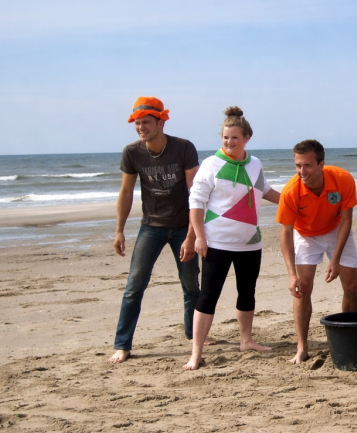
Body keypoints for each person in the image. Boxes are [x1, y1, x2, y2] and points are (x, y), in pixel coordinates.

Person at [183, 106, 280, 371]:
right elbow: (196, 202)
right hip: (217, 243)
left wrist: (292, 203)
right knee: (208, 296)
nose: (229, 142)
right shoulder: (212, 164)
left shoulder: (255, 163)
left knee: (247, 292)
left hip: (250, 242)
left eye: (234, 137)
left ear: (247, 137)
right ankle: (196, 352)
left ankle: (246, 340)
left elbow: (265, 190)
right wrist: (198, 237)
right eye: (225, 137)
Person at [110, 96, 201, 363]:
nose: (141, 128)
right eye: (137, 124)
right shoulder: (132, 152)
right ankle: (122, 344)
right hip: (151, 227)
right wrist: (119, 230)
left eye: (146, 122)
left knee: (191, 285)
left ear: (161, 122)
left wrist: (192, 235)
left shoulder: (183, 148)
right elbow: (126, 192)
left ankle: (193, 334)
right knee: (134, 287)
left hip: (183, 226)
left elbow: (195, 193)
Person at [276, 139, 357, 364]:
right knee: (302, 288)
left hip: (336, 230)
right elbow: (285, 233)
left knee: (351, 286)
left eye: (307, 165)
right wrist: (291, 274)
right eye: (298, 166)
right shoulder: (291, 191)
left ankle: (350, 336)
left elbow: (347, 220)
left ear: (321, 164)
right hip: (306, 235)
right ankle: (302, 347)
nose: (302, 171)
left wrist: (335, 258)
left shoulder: (342, 179)